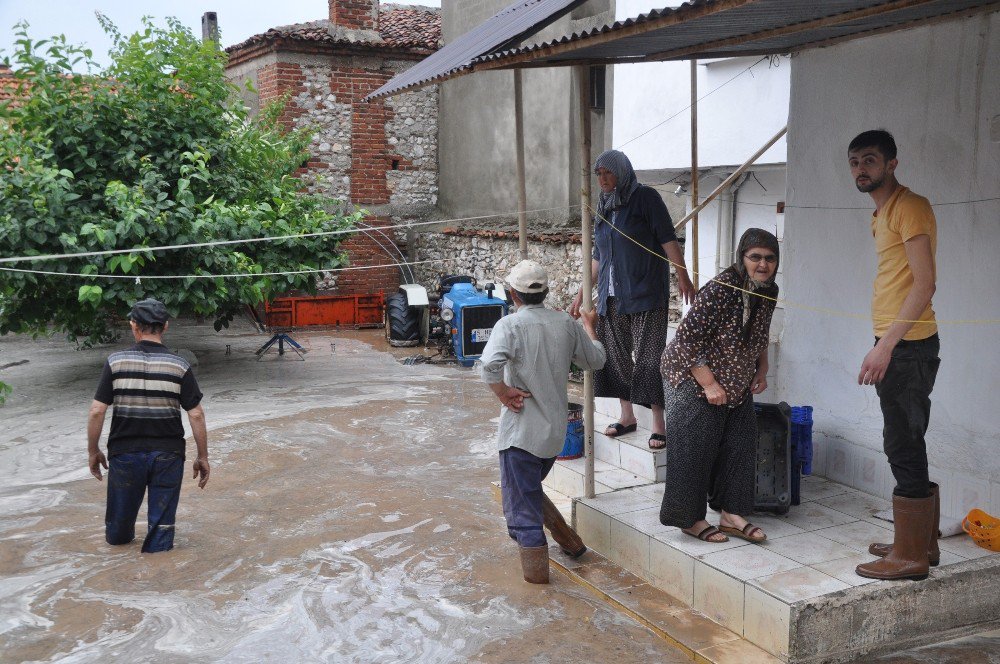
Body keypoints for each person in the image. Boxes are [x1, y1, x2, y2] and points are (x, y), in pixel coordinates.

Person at [848, 130, 940, 581]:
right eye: (855, 162)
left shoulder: (910, 206)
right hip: (897, 343)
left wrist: (886, 345)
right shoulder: (881, 213)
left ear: (892, 163)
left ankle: (911, 556)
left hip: (908, 346)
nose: (861, 169)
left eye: (869, 160)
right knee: (905, 439)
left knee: (902, 442)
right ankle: (921, 540)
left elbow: (924, 284)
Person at [481, 260, 606, 584]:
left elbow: (488, 367)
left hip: (521, 434)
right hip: (553, 436)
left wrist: (503, 392)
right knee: (528, 492)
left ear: (513, 294)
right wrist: (589, 327)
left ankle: (539, 591)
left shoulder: (509, 326)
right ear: (546, 292)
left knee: (522, 514)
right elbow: (596, 360)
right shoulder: (565, 322)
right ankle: (574, 546)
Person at [658, 228, 779, 543]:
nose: (763, 265)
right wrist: (709, 383)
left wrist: (762, 369)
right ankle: (690, 519)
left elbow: (760, 332)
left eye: (769, 258)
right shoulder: (721, 290)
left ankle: (731, 514)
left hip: (735, 379)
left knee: (741, 443)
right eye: (755, 257)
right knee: (695, 447)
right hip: (690, 375)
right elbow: (685, 340)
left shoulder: (769, 290)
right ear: (742, 258)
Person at [570, 149, 694, 450]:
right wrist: (582, 292)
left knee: (650, 360)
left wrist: (682, 276)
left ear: (622, 172)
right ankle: (627, 417)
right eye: (599, 174)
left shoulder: (645, 199)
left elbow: (667, 239)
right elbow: (599, 255)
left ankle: (659, 424)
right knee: (615, 358)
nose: (602, 179)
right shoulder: (603, 206)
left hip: (645, 293)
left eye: (608, 173)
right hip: (612, 298)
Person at [87, 298, 209, 553]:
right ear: (165, 327)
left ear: (134, 326)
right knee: (161, 532)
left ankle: (122, 583)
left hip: (125, 454)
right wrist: (203, 456)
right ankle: (159, 581)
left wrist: (93, 451)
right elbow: (196, 415)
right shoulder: (180, 365)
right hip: (168, 456)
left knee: (117, 533)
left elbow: (97, 410)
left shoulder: (115, 362)